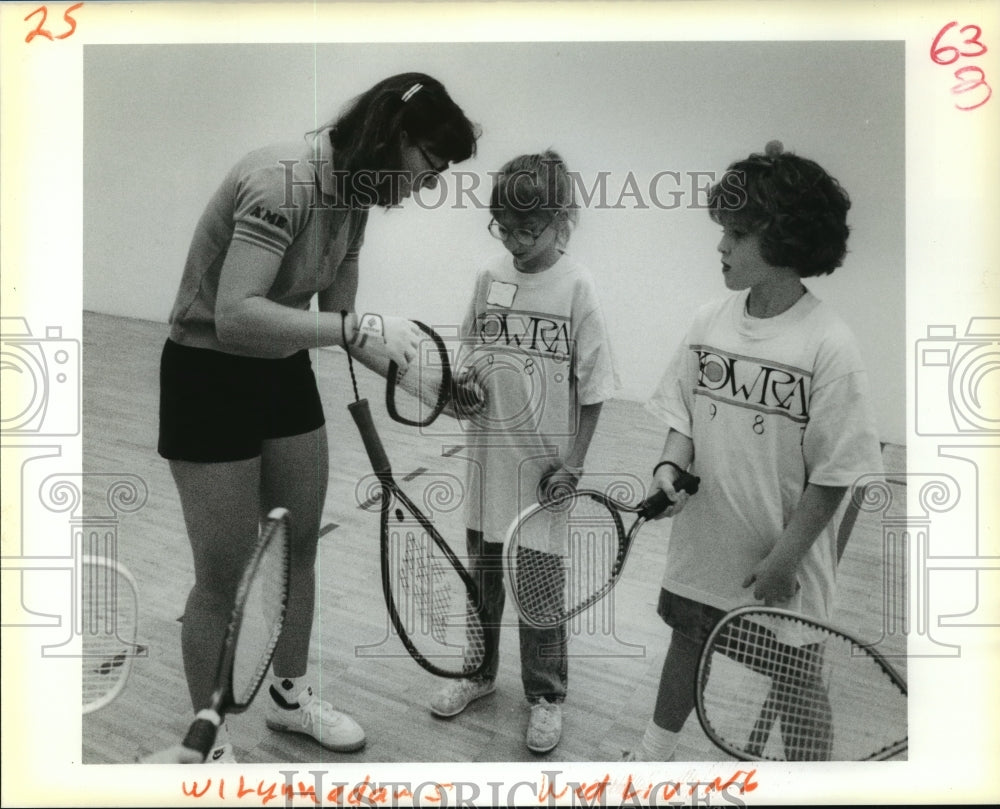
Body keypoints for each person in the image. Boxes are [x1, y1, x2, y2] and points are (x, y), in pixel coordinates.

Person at [156, 72, 480, 763]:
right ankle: (208, 740)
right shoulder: (281, 184)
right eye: (428, 166)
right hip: (209, 372)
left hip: (278, 368)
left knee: (298, 542)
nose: (426, 187)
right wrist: (351, 326)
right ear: (392, 136)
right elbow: (236, 314)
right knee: (225, 574)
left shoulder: (356, 199)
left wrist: (429, 382)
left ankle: (289, 697)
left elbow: (341, 323)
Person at [626, 141, 883, 761]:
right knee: (687, 647)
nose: (721, 246)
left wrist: (786, 560)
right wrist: (667, 466)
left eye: (737, 235)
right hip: (704, 547)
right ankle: (652, 758)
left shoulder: (829, 345)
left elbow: (836, 476)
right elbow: (681, 414)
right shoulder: (708, 321)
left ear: (787, 243)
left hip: (777, 567)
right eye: (724, 231)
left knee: (795, 681)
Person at [427, 151, 620, 754]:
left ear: (562, 221)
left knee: (537, 595)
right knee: (483, 582)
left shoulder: (576, 286)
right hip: (487, 466)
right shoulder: (490, 277)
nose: (511, 240)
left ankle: (544, 696)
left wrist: (575, 464)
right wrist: (459, 386)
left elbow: (595, 388)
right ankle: (479, 675)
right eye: (502, 227)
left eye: (525, 229)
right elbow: (469, 352)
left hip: (543, 480)